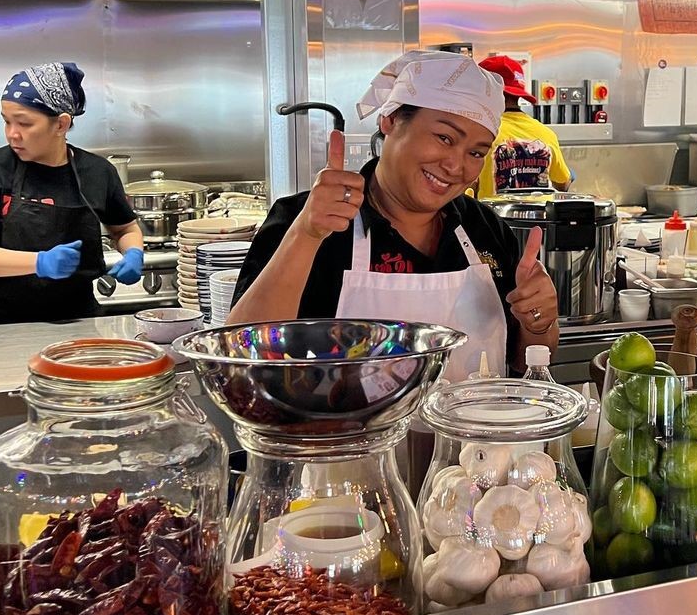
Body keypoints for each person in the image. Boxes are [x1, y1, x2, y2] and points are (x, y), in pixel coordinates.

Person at [229, 50, 560, 378]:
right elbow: (239, 355)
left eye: (475, 152)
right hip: (342, 431)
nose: (456, 166)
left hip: (471, 431)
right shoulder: (305, 220)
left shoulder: (485, 229)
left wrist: (539, 321)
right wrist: (305, 236)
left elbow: (522, 360)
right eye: (444, 137)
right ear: (390, 120)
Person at [0, 62, 144, 325]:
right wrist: (39, 262)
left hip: (79, 322)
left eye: (24, 123)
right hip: (0, 325)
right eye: (6, 121)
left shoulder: (98, 172)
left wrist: (133, 253)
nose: (12, 134)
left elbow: (124, 229)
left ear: (61, 124)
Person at [472, 54, 573, 198]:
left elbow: (468, 186)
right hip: (539, 218)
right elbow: (563, 183)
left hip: (493, 218)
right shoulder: (546, 134)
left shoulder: (481, 133)